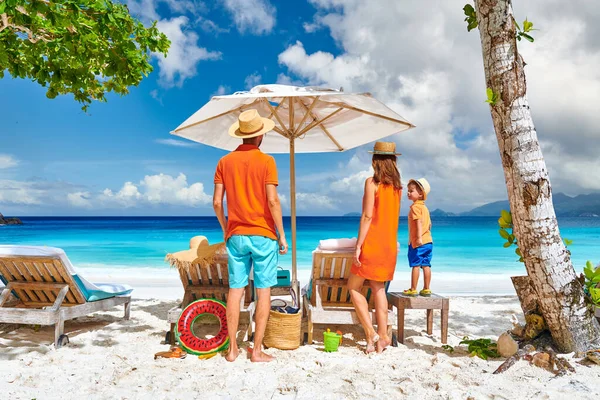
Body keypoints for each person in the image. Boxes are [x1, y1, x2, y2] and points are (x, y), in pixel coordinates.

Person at [213, 109, 288, 363]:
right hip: (263, 234)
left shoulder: (224, 162)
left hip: (235, 235)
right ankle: (255, 351)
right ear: (260, 136)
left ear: (242, 136)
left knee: (235, 290)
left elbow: (216, 202)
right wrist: (282, 235)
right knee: (263, 291)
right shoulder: (267, 162)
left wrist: (226, 227)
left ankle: (232, 349)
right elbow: (273, 201)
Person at [349, 141, 402, 354]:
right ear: (393, 161)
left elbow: (368, 215)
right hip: (389, 245)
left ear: (375, 160)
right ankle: (384, 336)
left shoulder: (372, 183)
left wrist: (358, 245)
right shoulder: (397, 188)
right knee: (379, 288)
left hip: (372, 243)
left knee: (353, 287)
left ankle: (371, 333)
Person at [402, 178, 433, 297]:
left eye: (411, 191)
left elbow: (418, 223)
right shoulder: (425, 208)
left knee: (415, 265)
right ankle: (426, 288)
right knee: (426, 264)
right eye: (408, 191)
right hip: (429, 241)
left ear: (420, 194)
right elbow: (429, 224)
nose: (408, 193)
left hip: (418, 242)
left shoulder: (415, 208)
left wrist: (419, 238)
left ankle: (413, 288)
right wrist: (426, 236)